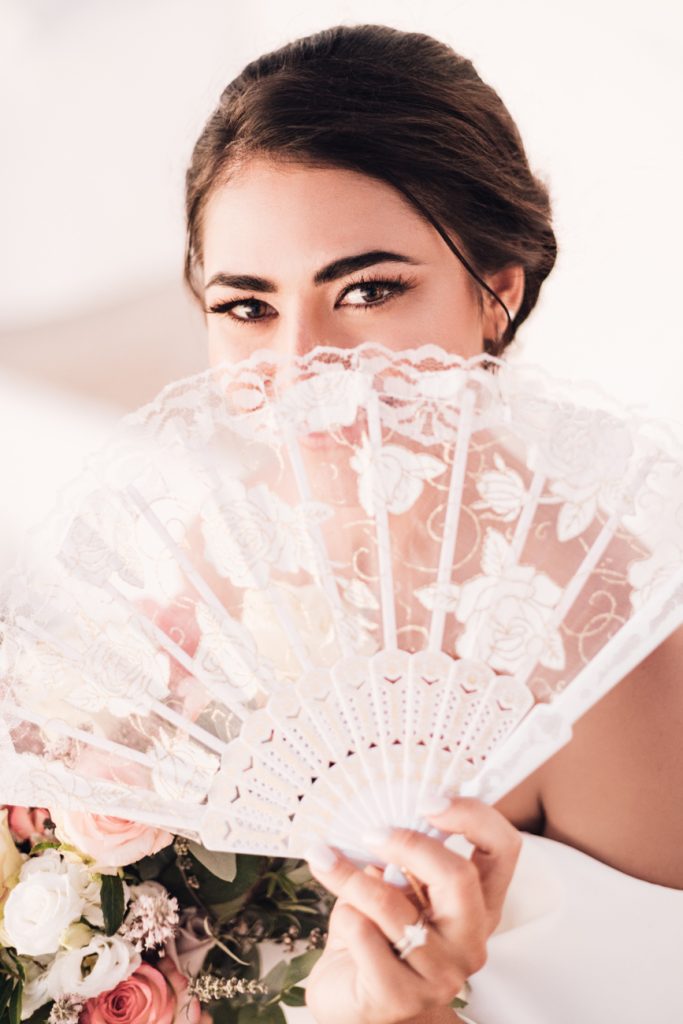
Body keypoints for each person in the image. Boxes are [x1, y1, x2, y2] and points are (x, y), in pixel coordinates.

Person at [182, 24, 683, 1024]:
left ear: (495, 291)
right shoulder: (181, 583)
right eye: (246, 306)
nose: (301, 363)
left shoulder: (607, 649)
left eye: (366, 290)